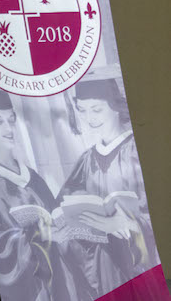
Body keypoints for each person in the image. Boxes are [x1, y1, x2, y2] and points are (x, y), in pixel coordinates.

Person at [56, 78, 160, 298]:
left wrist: (130, 223)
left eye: (96, 109)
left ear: (115, 106)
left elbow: (159, 207)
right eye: (82, 110)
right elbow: (63, 204)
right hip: (105, 265)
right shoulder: (86, 159)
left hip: (139, 262)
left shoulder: (137, 148)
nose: (89, 118)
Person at [0, 86, 69, 301]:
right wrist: (38, 235)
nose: (9, 128)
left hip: (57, 284)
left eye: (11, 119)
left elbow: (58, 221)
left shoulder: (31, 177)